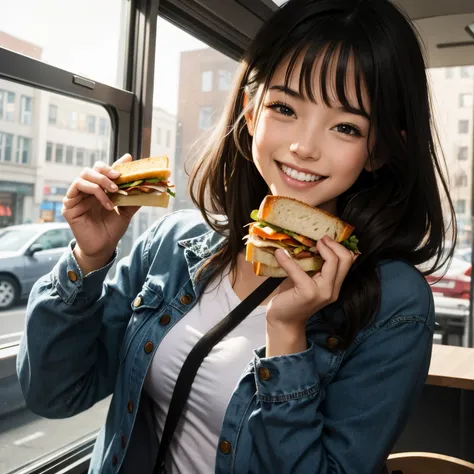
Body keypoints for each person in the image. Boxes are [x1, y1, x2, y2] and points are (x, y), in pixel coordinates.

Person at [17, 0, 455, 473]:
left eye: (346, 127)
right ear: (251, 114)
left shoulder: (394, 303)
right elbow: (54, 394)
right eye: (285, 107)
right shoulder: (172, 244)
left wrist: (288, 336)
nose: (303, 147)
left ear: (379, 151)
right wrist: (88, 257)